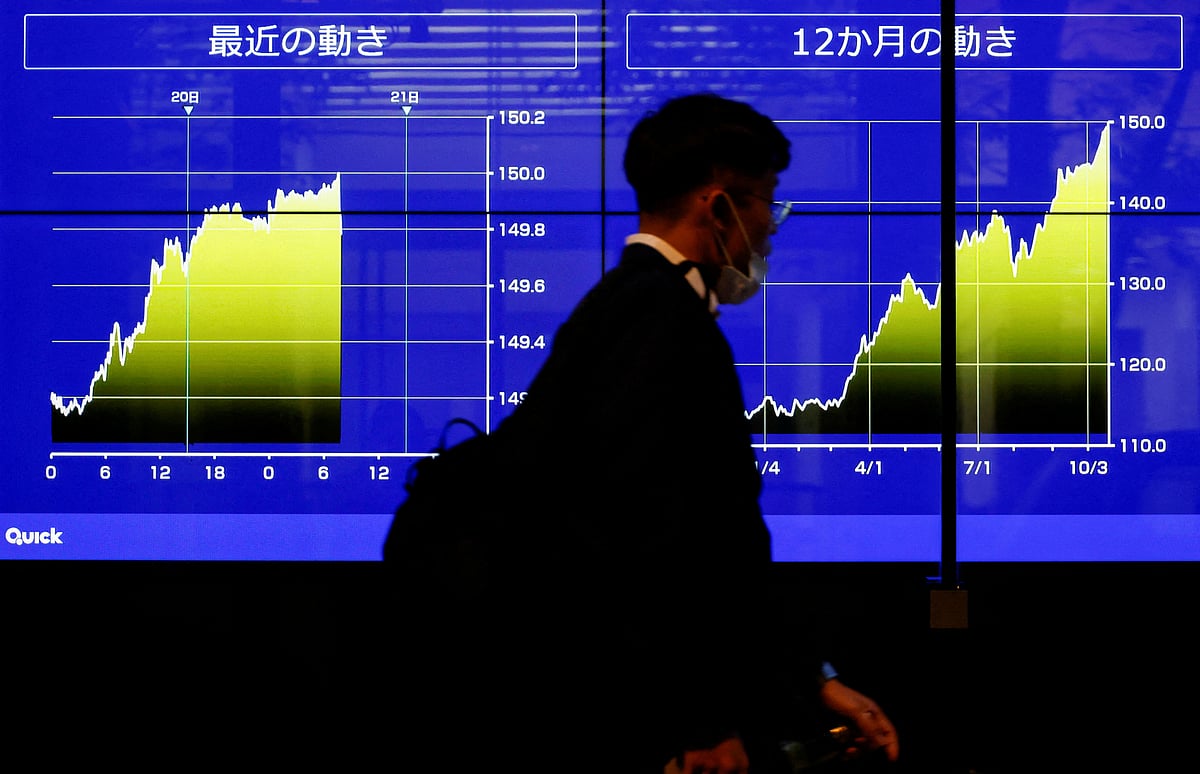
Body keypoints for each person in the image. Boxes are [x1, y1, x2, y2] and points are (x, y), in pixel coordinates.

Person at [381, 92, 899, 774]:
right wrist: (698, 723)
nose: (771, 226)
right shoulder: (665, 327)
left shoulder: (620, 306)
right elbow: (658, 547)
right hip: (628, 719)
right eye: (765, 200)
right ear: (718, 208)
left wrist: (811, 678)